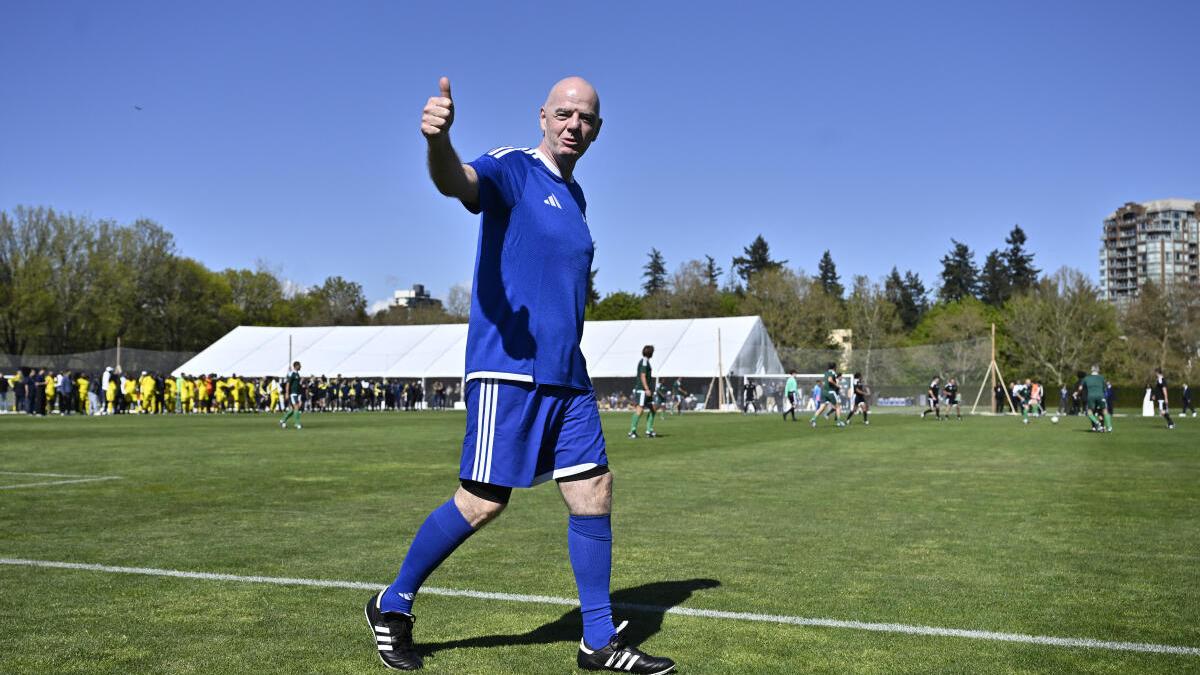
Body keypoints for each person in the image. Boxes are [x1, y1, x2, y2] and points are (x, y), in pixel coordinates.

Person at [365, 76, 673, 674]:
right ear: (542, 117)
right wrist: (438, 141)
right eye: (564, 113)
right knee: (482, 501)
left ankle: (598, 640)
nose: (574, 125)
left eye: (586, 118)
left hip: (568, 376)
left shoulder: (576, 197)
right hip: (507, 370)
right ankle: (392, 603)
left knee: (594, 489)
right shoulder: (514, 167)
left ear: (598, 130)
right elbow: (459, 182)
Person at [628, 345, 657, 438]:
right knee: (639, 410)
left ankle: (649, 430)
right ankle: (632, 431)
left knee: (653, 409)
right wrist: (646, 388)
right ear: (650, 353)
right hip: (642, 390)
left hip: (646, 390)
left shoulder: (646, 361)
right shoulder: (644, 361)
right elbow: (643, 375)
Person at [1078, 365, 1111, 432]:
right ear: (1098, 370)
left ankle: (1097, 423)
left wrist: (1078, 393)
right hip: (1101, 396)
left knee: (1089, 412)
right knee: (1104, 411)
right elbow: (1105, 388)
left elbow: (1080, 388)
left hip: (1091, 396)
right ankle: (1109, 427)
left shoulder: (1086, 378)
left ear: (1091, 370)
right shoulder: (1101, 377)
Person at [810, 362, 844, 428]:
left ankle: (813, 419)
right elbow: (830, 380)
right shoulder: (833, 372)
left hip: (823, 392)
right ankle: (839, 422)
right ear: (834, 367)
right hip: (830, 392)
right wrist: (836, 385)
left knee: (822, 408)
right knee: (838, 407)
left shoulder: (826, 373)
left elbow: (826, 381)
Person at [280, 361, 303, 429]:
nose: (301, 367)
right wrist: (287, 393)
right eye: (299, 365)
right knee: (296, 407)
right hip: (292, 393)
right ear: (296, 366)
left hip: (296, 393)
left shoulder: (297, 374)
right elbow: (288, 383)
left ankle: (282, 420)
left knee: (292, 410)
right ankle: (297, 423)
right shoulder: (292, 373)